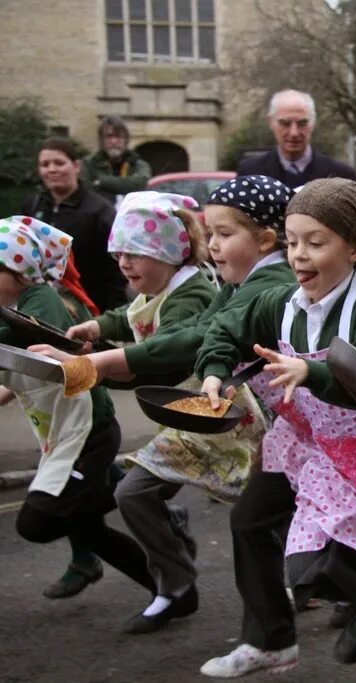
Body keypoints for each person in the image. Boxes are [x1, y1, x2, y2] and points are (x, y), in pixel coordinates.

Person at [194, 179, 356, 682]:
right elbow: (227, 328)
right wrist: (214, 369)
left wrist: (313, 373)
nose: (299, 255)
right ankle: (269, 642)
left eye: (316, 243)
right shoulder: (281, 302)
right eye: (293, 241)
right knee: (252, 522)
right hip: (308, 448)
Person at [51, 191, 216, 634]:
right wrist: (99, 326)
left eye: (136, 253)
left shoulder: (191, 294)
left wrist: (99, 366)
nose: (125, 264)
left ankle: (178, 585)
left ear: (170, 253)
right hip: (181, 414)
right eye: (120, 254)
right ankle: (178, 576)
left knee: (134, 493)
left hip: (208, 416)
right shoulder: (158, 287)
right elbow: (133, 316)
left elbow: (163, 353)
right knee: (141, 493)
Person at [0, 216, 156, 618]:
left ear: (18, 271)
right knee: (87, 526)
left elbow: (17, 341)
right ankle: (171, 587)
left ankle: (135, 505)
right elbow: (16, 374)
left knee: (37, 524)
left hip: (89, 428)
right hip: (61, 430)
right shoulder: (14, 304)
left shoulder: (39, 302)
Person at [21, 137, 128, 312]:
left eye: (59, 163)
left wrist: (109, 321)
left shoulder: (99, 212)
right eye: (45, 164)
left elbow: (116, 273)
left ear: (76, 166)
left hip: (88, 311)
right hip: (40, 310)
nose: (52, 169)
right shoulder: (32, 206)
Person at [236, 89, 356, 189]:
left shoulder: (341, 177)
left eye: (302, 123)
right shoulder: (249, 174)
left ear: (313, 123)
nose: (294, 133)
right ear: (270, 122)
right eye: (285, 123)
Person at [79, 116, 152, 208]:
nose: (114, 141)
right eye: (109, 137)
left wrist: (101, 181)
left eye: (118, 137)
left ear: (126, 140)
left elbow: (139, 185)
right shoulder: (88, 163)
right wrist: (124, 186)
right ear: (101, 140)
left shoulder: (138, 164)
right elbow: (87, 192)